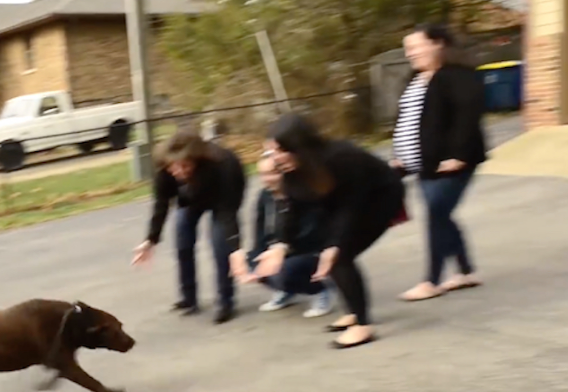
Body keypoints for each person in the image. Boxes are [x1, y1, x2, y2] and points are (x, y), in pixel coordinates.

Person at [253, 113, 404, 349]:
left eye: (280, 151)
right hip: (341, 204)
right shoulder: (290, 169)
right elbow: (290, 208)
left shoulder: (342, 158)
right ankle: (355, 312)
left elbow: (350, 207)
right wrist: (279, 245)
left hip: (379, 198)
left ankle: (362, 326)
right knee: (333, 253)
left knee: (339, 255)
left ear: (300, 147)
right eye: (272, 152)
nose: (275, 158)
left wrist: (335, 244)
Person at [390, 23, 487, 302]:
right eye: (408, 48)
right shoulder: (417, 78)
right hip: (424, 164)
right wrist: (401, 156)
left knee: (436, 214)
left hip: (452, 163)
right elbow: (410, 120)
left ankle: (431, 280)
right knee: (441, 214)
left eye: (416, 46)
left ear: (438, 44)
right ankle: (466, 272)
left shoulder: (458, 75)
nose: (410, 53)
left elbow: (467, 117)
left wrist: (459, 155)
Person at [131, 128, 247, 324]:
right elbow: (161, 204)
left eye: (186, 166)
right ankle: (189, 298)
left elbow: (228, 212)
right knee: (183, 240)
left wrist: (235, 247)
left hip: (222, 196)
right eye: (174, 168)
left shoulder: (223, 163)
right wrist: (150, 239)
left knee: (220, 246)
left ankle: (226, 301)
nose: (180, 172)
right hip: (190, 198)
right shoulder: (164, 168)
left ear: (197, 159)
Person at [229, 155, 332, 318]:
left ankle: (319, 289)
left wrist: (282, 252)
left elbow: (311, 233)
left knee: (283, 271)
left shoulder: (302, 194)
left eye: (273, 173)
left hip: (309, 250)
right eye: (262, 174)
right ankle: (287, 290)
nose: (267, 179)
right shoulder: (264, 196)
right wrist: (255, 256)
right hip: (279, 250)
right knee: (251, 263)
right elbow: (260, 229)